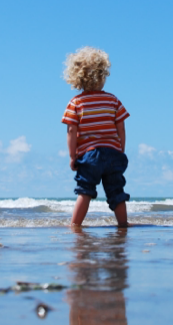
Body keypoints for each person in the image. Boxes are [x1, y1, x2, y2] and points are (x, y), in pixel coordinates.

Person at [61, 46, 130, 227]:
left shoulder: (76, 103)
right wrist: (120, 149)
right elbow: (121, 127)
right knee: (117, 192)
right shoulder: (113, 100)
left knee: (85, 192)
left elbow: (71, 131)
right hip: (113, 153)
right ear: (102, 75)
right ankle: (123, 225)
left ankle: (75, 226)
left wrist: (72, 156)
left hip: (89, 155)